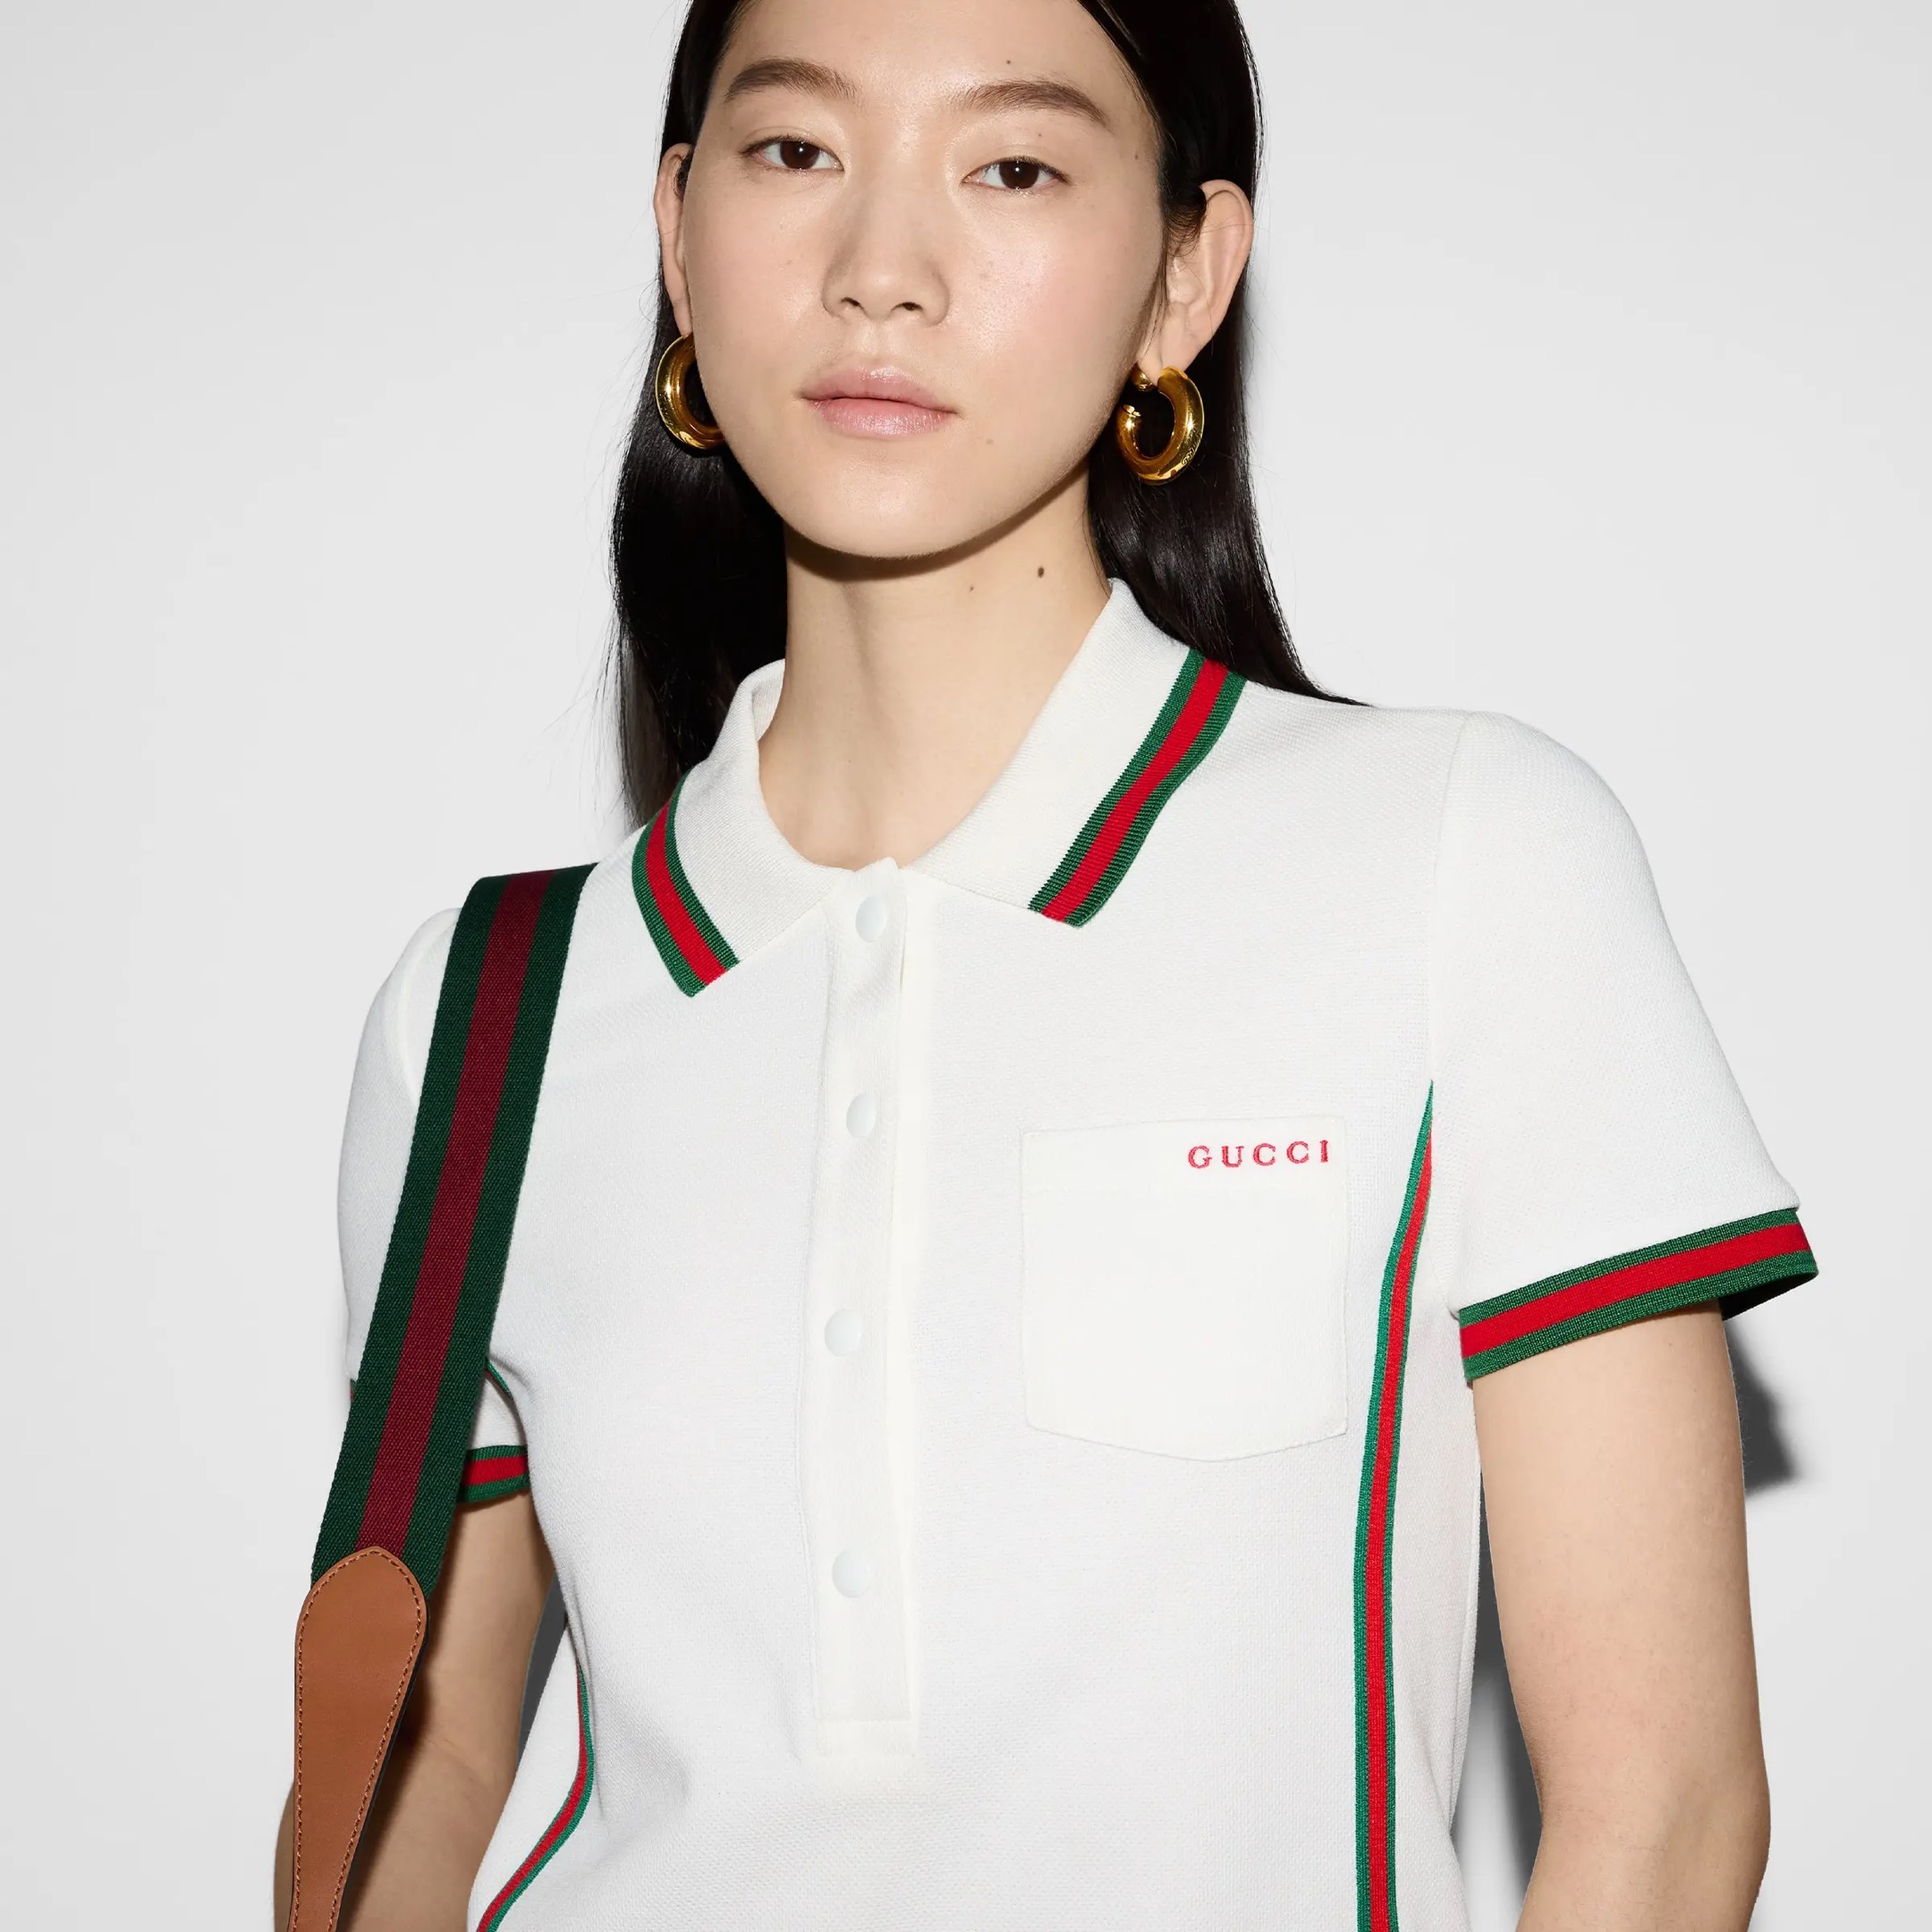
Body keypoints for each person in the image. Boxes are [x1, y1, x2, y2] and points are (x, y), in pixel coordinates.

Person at [273, 0, 1818, 1927]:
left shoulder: (1462, 861)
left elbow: (1662, 1817)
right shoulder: (486, 1012)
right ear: (678, 232)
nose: (881, 268)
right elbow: (417, 1768)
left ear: (1185, 278)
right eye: (795, 152)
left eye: (1012, 166)